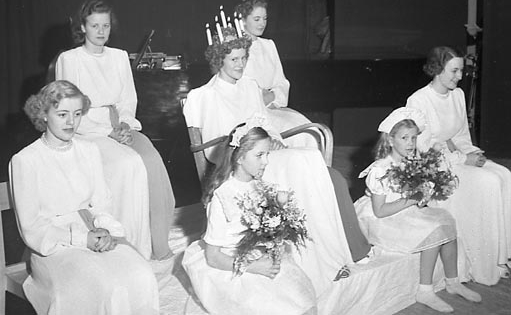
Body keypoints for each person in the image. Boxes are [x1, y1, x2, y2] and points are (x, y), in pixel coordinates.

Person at [183, 29, 371, 292]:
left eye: (243, 58)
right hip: (241, 166)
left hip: (265, 154)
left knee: (325, 172)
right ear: (219, 60)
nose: (240, 64)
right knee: (303, 163)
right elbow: (212, 149)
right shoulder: (204, 95)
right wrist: (253, 145)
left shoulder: (250, 86)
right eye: (234, 59)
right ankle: (319, 265)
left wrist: (273, 139)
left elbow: (266, 123)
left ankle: (337, 252)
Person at [10, 81, 159, 315]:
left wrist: (105, 230)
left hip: (92, 232)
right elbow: (32, 228)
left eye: (77, 114)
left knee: (141, 274)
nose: (71, 122)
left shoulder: (89, 150)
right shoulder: (25, 160)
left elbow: (101, 204)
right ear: (44, 115)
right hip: (51, 247)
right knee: (102, 284)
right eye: (62, 114)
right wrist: (81, 239)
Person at [55, 0, 175, 261]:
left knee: (152, 160)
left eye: (106, 26)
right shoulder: (70, 59)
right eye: (94, 25)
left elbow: (128, 100)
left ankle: (153, 242)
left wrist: (124, 124)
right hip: (86, 130)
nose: (101, 31)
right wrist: (106, 131)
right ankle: (126, 246)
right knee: (127, 165)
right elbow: (68, 108)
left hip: (118, 124)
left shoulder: (119, 56)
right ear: (83, 27)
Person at [354, 108, 481, 313]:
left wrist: (424, 194)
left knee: (446, 219)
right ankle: (425, 290)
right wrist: (413, 199)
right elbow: (380, 211)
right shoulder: (380, 169)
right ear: (390, 140)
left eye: (413, 138)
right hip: (381, 218)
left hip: (403, 209)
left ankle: (453, 281)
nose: (411, 143)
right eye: (404, 138)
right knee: (432, 230)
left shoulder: (410, 163)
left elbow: (416, 198)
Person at [183, 125, 317, 315]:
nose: (266, 162)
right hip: (232, 264)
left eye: (267, 154)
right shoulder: (222, 197)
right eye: (259, 155)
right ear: (239, 157)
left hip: (259, 255)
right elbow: (212, 257)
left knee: (303, 303)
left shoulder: (260, 186)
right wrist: (254, 267)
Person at [406, 46, 511, 285]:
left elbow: (461, 135)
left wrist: (472, 153)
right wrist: (463, 160)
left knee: (504, 174)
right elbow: (424, 149)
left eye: (461, 71)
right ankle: (485, 265)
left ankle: (502, 257)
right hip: (436, 167)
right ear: (437, 69)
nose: (460, 76)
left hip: (456, 156)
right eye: (454, 71)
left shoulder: (458, 95)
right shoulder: (418, 100)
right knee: (489, 182)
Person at [235, 0, 313, 144]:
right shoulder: (236, 48)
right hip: (251, 113)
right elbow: (238, 86)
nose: (262, 23)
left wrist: (274, 96)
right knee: (299, 136)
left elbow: (281, 81)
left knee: (311, 130)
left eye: (265, 18)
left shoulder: (269, 45)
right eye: (257, 19)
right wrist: (260, 97)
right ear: (243, 20)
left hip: (273, 106)